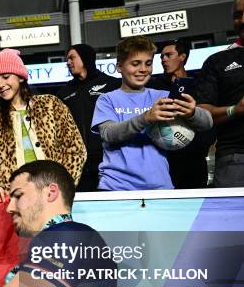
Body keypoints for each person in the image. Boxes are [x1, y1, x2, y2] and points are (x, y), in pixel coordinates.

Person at [91, 36, 212, 191]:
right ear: (119, 66)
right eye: (135, 64)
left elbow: (207, 122)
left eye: (148, 63)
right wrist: (146, 118)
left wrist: (192, 113)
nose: (143, 69)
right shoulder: (107, 99)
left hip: (159, 185)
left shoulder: (162, 96)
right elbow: (108, 133)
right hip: (117, 186)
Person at [0, 48, 86, 202]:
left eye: (6, 77)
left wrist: (63, 185)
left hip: (53, 194)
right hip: (15, 198)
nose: (0, 84)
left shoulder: (50, 104)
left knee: (57, 227)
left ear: (20, 77)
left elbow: (75, 148)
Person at [196, 0, 244, 187]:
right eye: (237, 15)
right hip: (239, 159)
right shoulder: (217, 61)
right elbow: (202, 114)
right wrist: (236, 109)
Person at [149, 40, 216, 189]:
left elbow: (208, 117)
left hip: (194, 159)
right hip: (165, 159)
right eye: (161, 57)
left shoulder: (199, 84)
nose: (164, 60)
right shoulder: (154, 85)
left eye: (168, 55)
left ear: (182, 57)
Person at [56, 44, 121, 192]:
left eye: (72, 57)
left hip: (108, 160)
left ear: (85, 58)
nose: (68, 62)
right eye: (67, 59)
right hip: (78, 164)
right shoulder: (63, 93)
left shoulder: (111, 84)